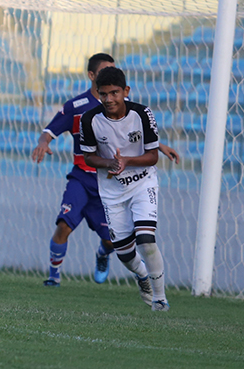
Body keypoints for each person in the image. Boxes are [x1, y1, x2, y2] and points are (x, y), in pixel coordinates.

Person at [32, 53, 179, 288]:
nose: (109, 93)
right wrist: (43, 142)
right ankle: (53, 277)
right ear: (92, 76)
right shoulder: (77, 107)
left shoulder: (122, 105)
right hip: (82, 177)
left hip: (110, 183)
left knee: (112, 241)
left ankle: (102, 253)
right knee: (63, 225)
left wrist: (160, 146)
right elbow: (49, 131)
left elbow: (134, 135)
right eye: (104, 71)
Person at [80, 66, 169, 311]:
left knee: (146, 239)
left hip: (142, 183)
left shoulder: (142, 114)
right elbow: (88, 157)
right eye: (103, 94)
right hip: (112, 190)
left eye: (114, 93)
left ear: (125, 91)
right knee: (124, 253)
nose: (109, 99)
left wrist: (127, 161)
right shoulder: (90, 120)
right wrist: (109, 163)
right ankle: (142, 275)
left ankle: (160, 299)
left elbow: (153, 156)